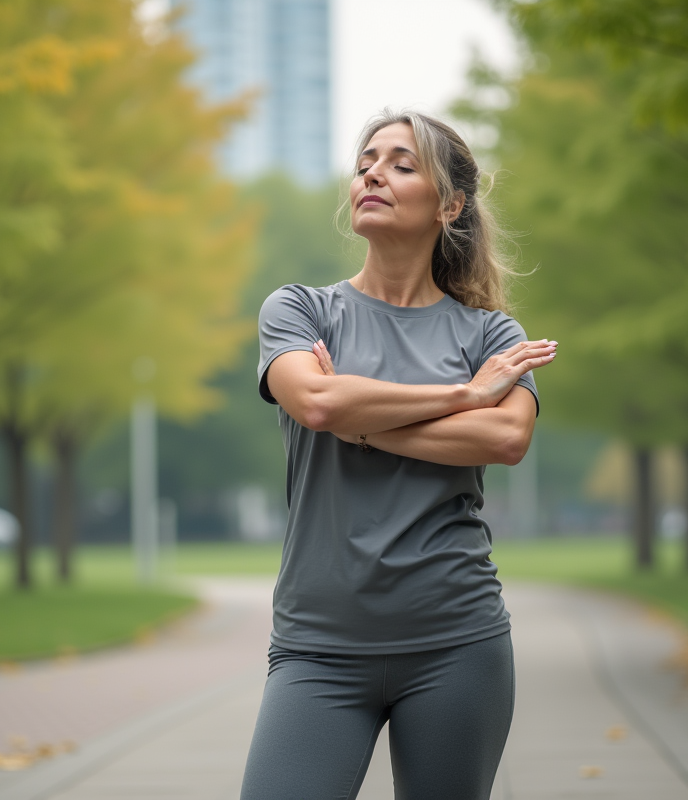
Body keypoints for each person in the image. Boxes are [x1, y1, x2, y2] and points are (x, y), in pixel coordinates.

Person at [241, 110, 557, 799]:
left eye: (401, 164)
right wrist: (464, 394)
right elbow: (316, 404)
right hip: (317, 648)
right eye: (365, 162)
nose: (373, 173)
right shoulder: (299, 310)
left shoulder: (492, 333)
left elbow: (504, 439)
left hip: (457, 641)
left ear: (450, 205)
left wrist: (359, 418)